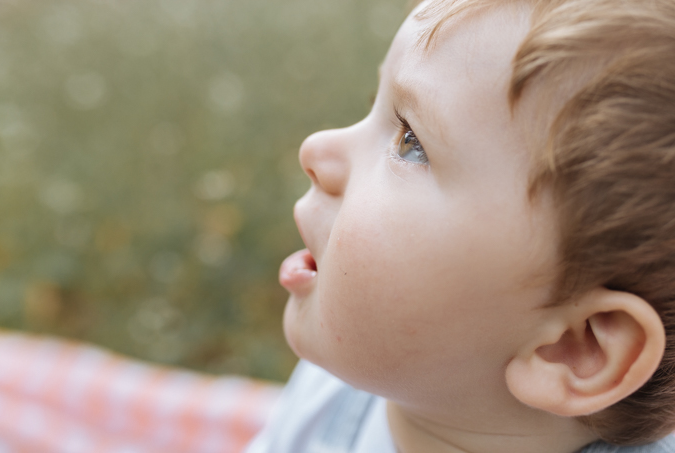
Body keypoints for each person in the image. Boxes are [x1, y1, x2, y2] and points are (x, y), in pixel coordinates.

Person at [246, 0, 675, 451]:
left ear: (576, 347)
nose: (315, 148)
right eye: (376, 105)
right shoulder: (335, 391)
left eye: (411, 142)